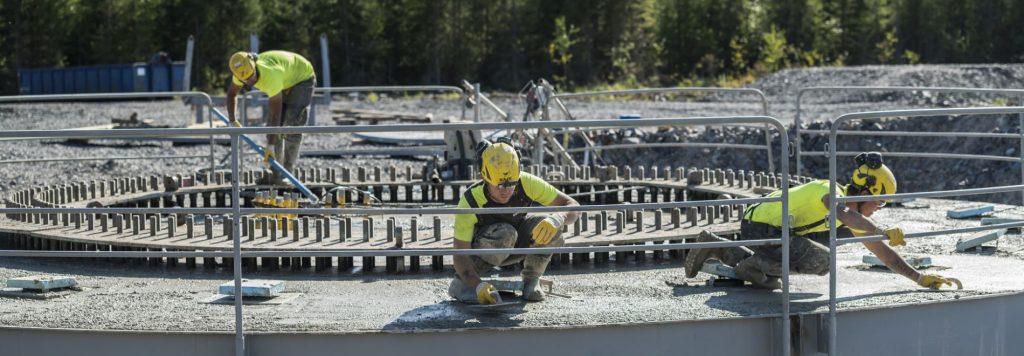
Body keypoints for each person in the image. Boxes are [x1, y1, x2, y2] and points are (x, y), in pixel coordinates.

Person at [684, 152, 957, 290]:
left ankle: (715, 246)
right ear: (864, 193)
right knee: (824, 260)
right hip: (761, 225)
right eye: (880, 201)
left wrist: (919, 278)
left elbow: (882, 252)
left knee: (788, 266)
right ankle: (752, 268)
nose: (879, 208)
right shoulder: (831, 192)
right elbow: (843, 214)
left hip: (766, 228)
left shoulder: (852, 215)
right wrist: (881, 230)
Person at [448, 139, 580, 304]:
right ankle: (461, 285)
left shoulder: (526, 183)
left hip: (516, 245)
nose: (506, 191)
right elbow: (460, 256)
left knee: (550, 227)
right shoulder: (470, 201)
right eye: (499, 186)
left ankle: (531, 281)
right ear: (484, 177)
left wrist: (558, 218)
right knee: (506, 233)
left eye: (511, 184)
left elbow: (573, 205)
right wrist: (477, 285)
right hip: (484, 253)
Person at [226, 50, 316, 185]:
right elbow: (231, 94)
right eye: (246, 80)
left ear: (254, 65)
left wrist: (271, 145)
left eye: (252, 76)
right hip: (285, 76)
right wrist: (232, 121)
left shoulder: (270, 75)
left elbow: (276, 115)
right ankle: (276, 174)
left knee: (292, 125)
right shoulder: (240, 73)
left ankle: (288, 173)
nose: (250, 81)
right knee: (272, 129)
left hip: (302, 77)